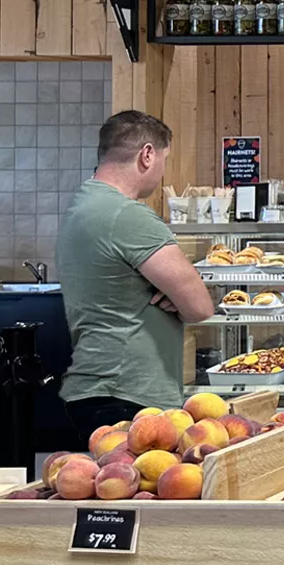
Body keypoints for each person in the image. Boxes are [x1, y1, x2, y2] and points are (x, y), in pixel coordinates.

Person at [57, 112, 214, 447]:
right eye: (164, 159)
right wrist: (177, 296)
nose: (161, 171)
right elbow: (200, 306)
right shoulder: (127, 215)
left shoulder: (81, 206)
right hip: (128, 394)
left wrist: (172, 292)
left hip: (96, 386)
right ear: (147, 154)